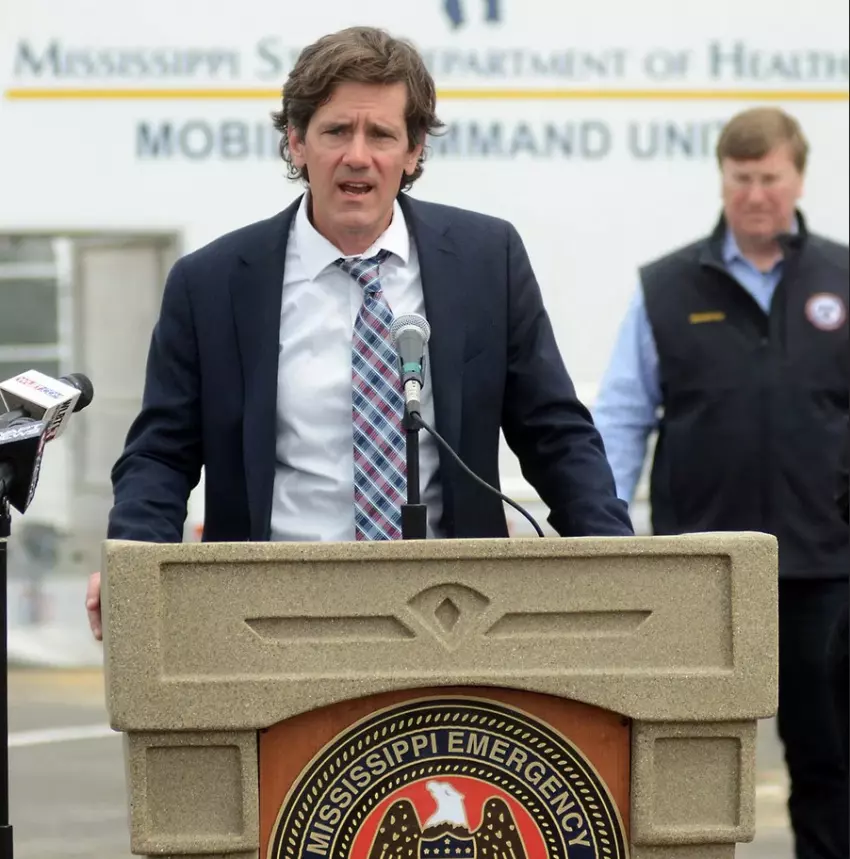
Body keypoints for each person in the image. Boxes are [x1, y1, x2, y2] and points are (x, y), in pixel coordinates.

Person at [85, 26, 633, 639]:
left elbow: (554, 432)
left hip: (455, 619)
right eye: (336, 131)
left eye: (381, 135)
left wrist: (620, 560)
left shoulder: (487, 259)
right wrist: (131, 563)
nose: (357, 155)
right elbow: (161, 453)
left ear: (414, 151)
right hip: (270, 617)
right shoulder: (211, 283)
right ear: (296, 142)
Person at [593, 106, 849, 859]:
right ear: (722, 178)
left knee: (832, 760)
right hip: (703, 571)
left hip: (827, 567)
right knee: (688, 762)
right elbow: (621, 416)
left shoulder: (842, 278)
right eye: (741, 179)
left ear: (798, 178)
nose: (756, 194)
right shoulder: (666, 287)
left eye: (769, 177)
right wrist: (603, 534)